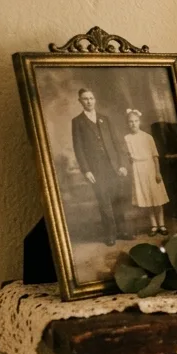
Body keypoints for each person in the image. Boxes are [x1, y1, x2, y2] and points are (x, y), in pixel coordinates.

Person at [69, 87, 130, 246]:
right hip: (96, 168)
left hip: (113, 165)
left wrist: (122, 164)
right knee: (103, 200)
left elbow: (116, 142)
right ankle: (110, 234)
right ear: (80, 101)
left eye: (91, 98)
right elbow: (78, 148)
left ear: (95, 100)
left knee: (117, 198)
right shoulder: (77, 122)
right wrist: (86, 170)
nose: (89, 101)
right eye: (85, 99)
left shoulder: (105, 118)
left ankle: (122, 230)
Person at [123, 109, 170, 235]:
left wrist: (158, 172)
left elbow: (155, 156)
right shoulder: (126, 138)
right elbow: (127, 155)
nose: (133, 124)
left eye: (135, 121)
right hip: (137, 169)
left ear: (140, 122)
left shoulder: (147, 137)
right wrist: (129, 160)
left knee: (157, 198)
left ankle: (162, 224)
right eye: (130, 122)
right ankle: (154, 225)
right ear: (128, 123)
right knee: (147, 198)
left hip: (150, 167)